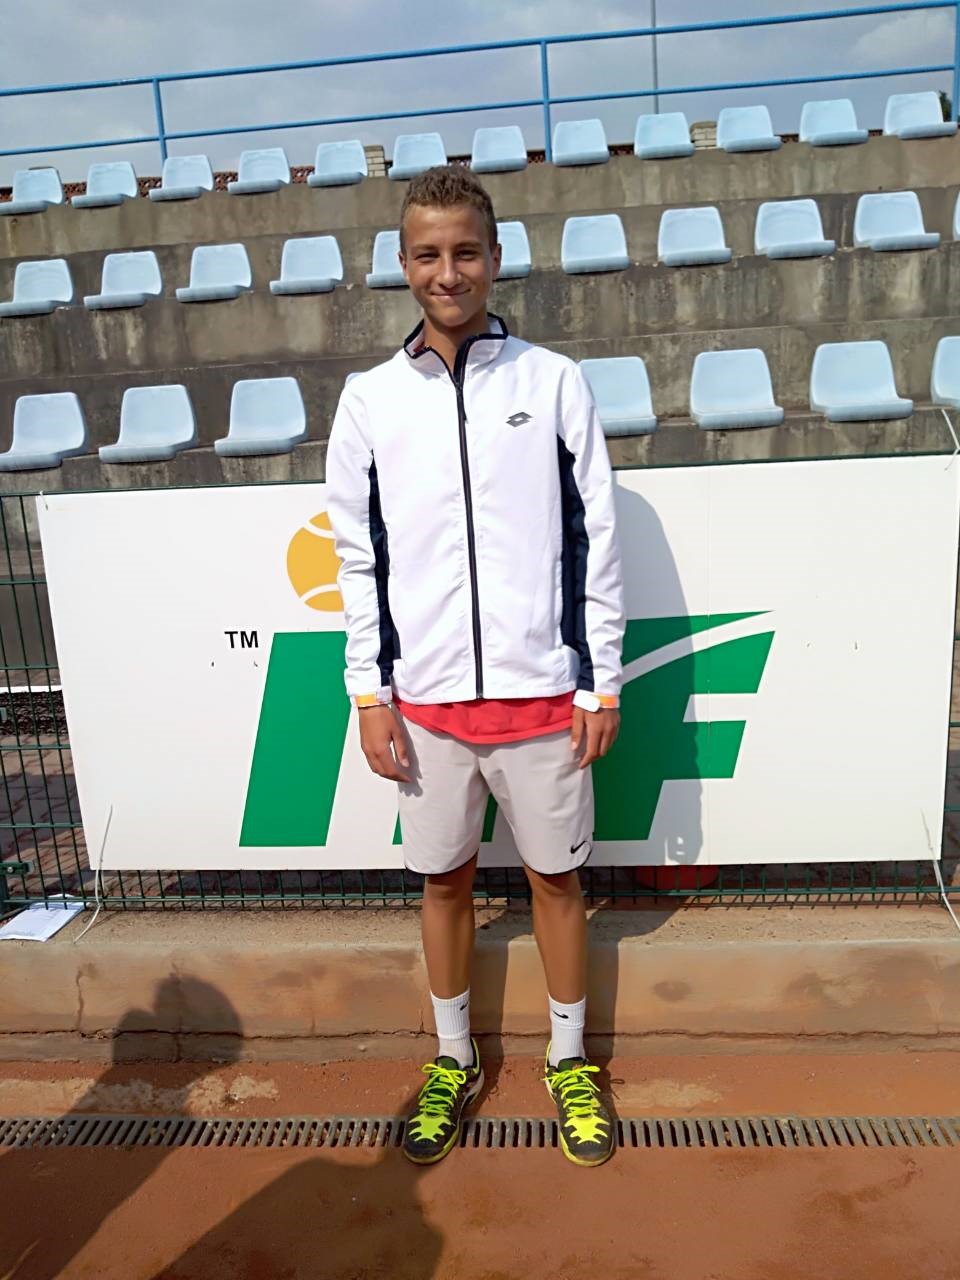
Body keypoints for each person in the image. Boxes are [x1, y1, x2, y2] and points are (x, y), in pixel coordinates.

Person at [325, 164, 625, 1168]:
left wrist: (601, 678)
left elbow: (594, 537)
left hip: (545, 700)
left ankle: (570, 1060)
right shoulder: (369, 400)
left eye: (464, 252)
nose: (446, 272)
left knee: (557, 883)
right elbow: (358, 560)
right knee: (443, 884)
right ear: (403, 262)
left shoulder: (552, 382)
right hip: (427, 708)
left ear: (495, 258)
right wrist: (369, 693)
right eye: (427, 254)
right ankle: (453, 1056)